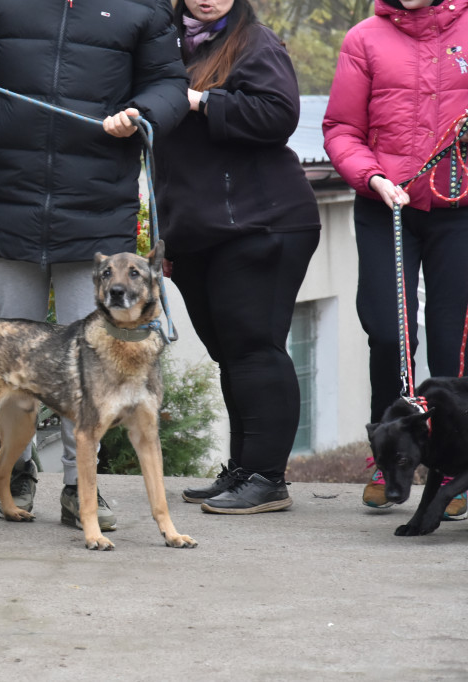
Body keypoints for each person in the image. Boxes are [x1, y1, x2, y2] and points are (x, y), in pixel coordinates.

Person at [0, 0, 189, 530]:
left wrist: (141, 114)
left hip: (94, 217)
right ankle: (15, 473)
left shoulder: (143, 9)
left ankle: (77, 489)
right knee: (8, 366)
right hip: (9, 206)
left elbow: (169, 87)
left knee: (94, 368)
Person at [132, 0, 321, 513]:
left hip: (264, 220)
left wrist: (199, 101)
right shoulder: (163, 47)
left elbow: (279, 114)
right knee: (231, 354)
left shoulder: (255, 42)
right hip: (198, 231)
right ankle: (243, 469)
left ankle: (267, 477)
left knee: (256, 347)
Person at [322, 0, 468, 517]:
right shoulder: (364, 37)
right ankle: (391, 462)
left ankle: (453, 472)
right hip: (387, 207)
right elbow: (341, 128)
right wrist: (373, 177)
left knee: (452, 349)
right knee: (389, 333)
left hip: (459, 211)